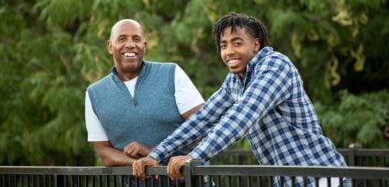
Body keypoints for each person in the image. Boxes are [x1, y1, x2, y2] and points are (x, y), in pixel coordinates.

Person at [132, 12, 350, 187]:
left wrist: (196, 156)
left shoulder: (275, 66)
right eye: (224, 45)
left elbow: (242, 116)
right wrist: (157, 154)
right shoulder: (235, 81)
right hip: (286, 179)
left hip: (322, 177)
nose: (229, 51)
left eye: (237, 43)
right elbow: (202, 120)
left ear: (256, 45)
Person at [84, 19, 204, 168]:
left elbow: (201, 125)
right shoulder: (94, 93)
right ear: (110, 47)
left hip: (186, 180)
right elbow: (104, 152)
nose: (130, 44)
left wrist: (154, 152)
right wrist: (141, 165)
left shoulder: (171, 73)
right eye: (122, 39)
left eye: (136, 39)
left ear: (144, 46)